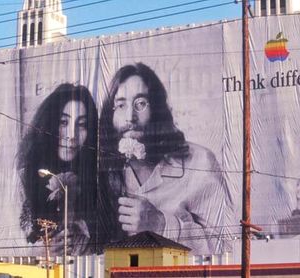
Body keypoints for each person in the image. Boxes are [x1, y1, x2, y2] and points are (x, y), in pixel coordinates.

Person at [98, 63, 233, 255]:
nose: (130, 117)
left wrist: (161, 224)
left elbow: (225, 246)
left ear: (158, 108)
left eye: (140, 104)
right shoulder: (100, 170)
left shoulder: (200, 161)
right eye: (121, 105)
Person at [18, 83, 111, 255]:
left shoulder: (99, 179)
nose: (72, 135)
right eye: (63, 122)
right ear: (48, 125)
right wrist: (40, 251)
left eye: (81, 125)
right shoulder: (25, 177)